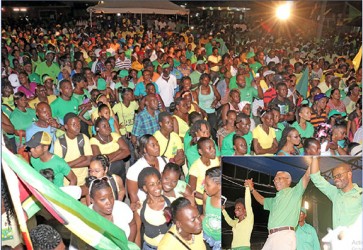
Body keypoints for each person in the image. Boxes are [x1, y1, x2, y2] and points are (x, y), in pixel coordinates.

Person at [245, 163, 311, 250]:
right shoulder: (274, 200)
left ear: (288, 181)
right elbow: (261, 200)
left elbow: (306, 176)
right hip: (271, 237)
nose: (276, 181)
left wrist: (314, 160)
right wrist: (252, 189)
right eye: (275, 179)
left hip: (284, 236)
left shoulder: (294, 193)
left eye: (279, 178)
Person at [71, 177, 136, 249]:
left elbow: (132, 225)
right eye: (103, 199)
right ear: (92, 200)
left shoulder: (122, 208)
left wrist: (128, 246)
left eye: (111, 196)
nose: (109, 202)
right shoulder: (85, 221)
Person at [309, 156, 362, 229]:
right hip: (337, 239)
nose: (336, 179)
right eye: (334, 177)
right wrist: (315, 157)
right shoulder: (334, 193)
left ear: (349, 174)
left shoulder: (360, 193)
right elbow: (315, 177)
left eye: (339, 175)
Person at [138, 167, 171, 249]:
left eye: (158, 182)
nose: (157, 187)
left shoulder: (169, 203)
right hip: (149, 247)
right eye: (152, 184)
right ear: (145, 188)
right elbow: (138, 232)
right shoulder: (140, 208)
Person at [90, 117, 130, 183]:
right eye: (104, 126)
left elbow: (127, 152)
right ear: (97, 129)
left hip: (120, 170)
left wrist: (107, 160)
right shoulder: (93, 140)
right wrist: (119, 151)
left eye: (108, 125)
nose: (108, 127)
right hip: (106, 173)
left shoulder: (115, 135)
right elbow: (99, 160)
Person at [188, 138, 220, 211]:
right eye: (209, 148)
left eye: (214, 147)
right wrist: (207, 198)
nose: (214, 150)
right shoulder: (195, 167)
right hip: (201, 202)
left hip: (213, 199)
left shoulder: (216, 161)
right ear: (201, 151)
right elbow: (193, 191)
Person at [222, 181, 254, 250]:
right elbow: (229, 220)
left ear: (245, 210)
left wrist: (247, 188)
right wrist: (223, 210)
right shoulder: (236, 222)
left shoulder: (248, 220)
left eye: (239, 208)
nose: (236, 210)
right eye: (235, 208)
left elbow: (248, 203)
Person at [203, 167, 222, 250]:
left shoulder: (224, 203)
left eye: (208, 185)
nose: (204, 187)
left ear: (219, 185)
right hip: (205, 236)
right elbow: (204, 215)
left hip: (219, 242)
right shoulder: (206, 196)